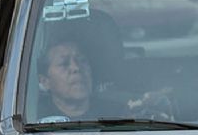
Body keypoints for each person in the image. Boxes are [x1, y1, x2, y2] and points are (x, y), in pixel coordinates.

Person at [36, 34, 173, 121]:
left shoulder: (119, 113)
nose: (76, 68)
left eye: (82, 60)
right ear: (44, 81)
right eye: (64, 64)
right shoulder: (32, 120)